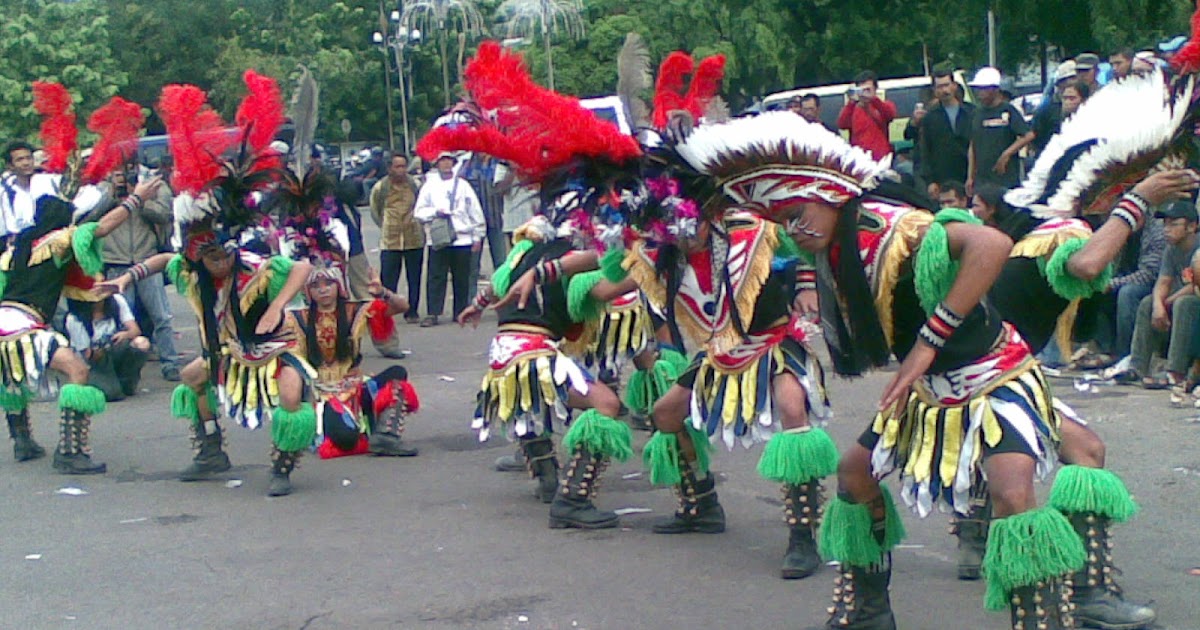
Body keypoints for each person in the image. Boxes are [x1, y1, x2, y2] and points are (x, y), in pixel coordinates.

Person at [112, 76, 318, 497]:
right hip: (226, 352)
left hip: (272, 347)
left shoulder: (255, 267)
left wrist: (278, 305)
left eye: (223, 256)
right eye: (211, 258)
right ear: (199, 257)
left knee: (292, 396)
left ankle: (282, 465)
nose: (219, 263)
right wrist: (125, 277)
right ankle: (211, 451)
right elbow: (163, 260)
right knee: (191, 378)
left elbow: (302, 269)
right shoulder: (192, 272)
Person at [278, 168, 421, 458]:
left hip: (356, 387)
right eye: (316, 285)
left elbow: (401, 307)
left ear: (339, 284)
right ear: (308, 290)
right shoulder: (298, 318)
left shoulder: (356, 310)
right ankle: (328, 426)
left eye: (328, 283)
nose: (323, 290)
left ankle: (385, 436)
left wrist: (382, 292)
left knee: (398, 374)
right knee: (344, 439)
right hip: (320, 394)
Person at [90, 165, 183, 382]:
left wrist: (140, 198)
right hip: (116, 261)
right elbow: (92, 219)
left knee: (161, 316)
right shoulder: (103, 189)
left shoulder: (154, 186)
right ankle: (127, 368)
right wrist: (115, 196)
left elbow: (164, 215)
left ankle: (170, 363)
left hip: (147, 259)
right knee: (125, 318)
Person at [1125, 200, 1200, 389]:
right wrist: (1159, 305)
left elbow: (1195, 284)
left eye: (1174, 224)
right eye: (1165, 224)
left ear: (1192, 226)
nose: (1167, 229)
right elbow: (1163, 280)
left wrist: (1169, 302)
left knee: (1184, 303)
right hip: (1178, 298)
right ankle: (1137, 366)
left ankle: (1175, 371)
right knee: (1148, 302)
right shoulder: (1171, 249)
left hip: (1194, 299)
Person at [414, 151, 484, 327]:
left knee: (462, 277)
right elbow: (419, 212)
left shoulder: (463, 186)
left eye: (448, 161)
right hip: (439, 238)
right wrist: (435, 213)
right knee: (436, 276)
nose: (445, 165)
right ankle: (433, 312)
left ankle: (460, 310)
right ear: (436, 164)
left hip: (462, 238)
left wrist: (477, 236)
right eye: (442, 161)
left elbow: (475, 211)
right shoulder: (429, 186)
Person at [63, 290, 150, 402]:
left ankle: (127, 382)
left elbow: (135, 330)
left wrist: (125, 334)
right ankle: (107, 383)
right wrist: (101, 350)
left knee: (142, 343)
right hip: (93, 362)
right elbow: (88, 354)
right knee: (111, 394)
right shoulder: (74, 318)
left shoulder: (117, 300)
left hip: (115, 351)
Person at [369, 153, 424, 324]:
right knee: (388, 278)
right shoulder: (381, 187)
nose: (401, 170)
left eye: (403, 166)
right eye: (397, 166)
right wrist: (387, 225)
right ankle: (387, 311)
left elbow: (421, 205)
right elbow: (375, 210)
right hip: (390, 240)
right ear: (389, 168)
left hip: (413, 237)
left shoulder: (414, 184)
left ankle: (412, 310)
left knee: (414, 277)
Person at [967, 66, 1035, 194]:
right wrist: (970, 176)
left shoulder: (1008, 110)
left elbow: (1028, 135)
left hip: (1006, 177)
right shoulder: (976, 113)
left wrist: (1007, 154)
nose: (979, 93)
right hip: (982, 178)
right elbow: (973, 145)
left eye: (983, 89)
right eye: (978, 89)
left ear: (995, 89)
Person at [916, 65, 975, 198]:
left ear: (954, 85)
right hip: (943, 178)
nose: (944, 90)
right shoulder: (930, 118)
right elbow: (925, 151)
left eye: (947, 85)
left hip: (969, 176)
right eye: (940, 86)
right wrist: (930, 181)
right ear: (934, 90)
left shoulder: (972, 112)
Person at [836, 70, 897, 160]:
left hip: (881, 158)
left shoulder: (884, 105)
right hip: (860, 159)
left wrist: (873, 99)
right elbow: (842, 124)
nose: (864, 93)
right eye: (861, 90)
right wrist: (851, 102)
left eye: (868, 89)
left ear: (875, 89)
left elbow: (890, 115)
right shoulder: (853, 109)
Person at [1030, 60, 1076, 158]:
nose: (1073, 82)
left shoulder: (1085, 103)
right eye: (1070, 78)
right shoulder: (1046, 108)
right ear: (1060, 83)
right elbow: (1036, 136)